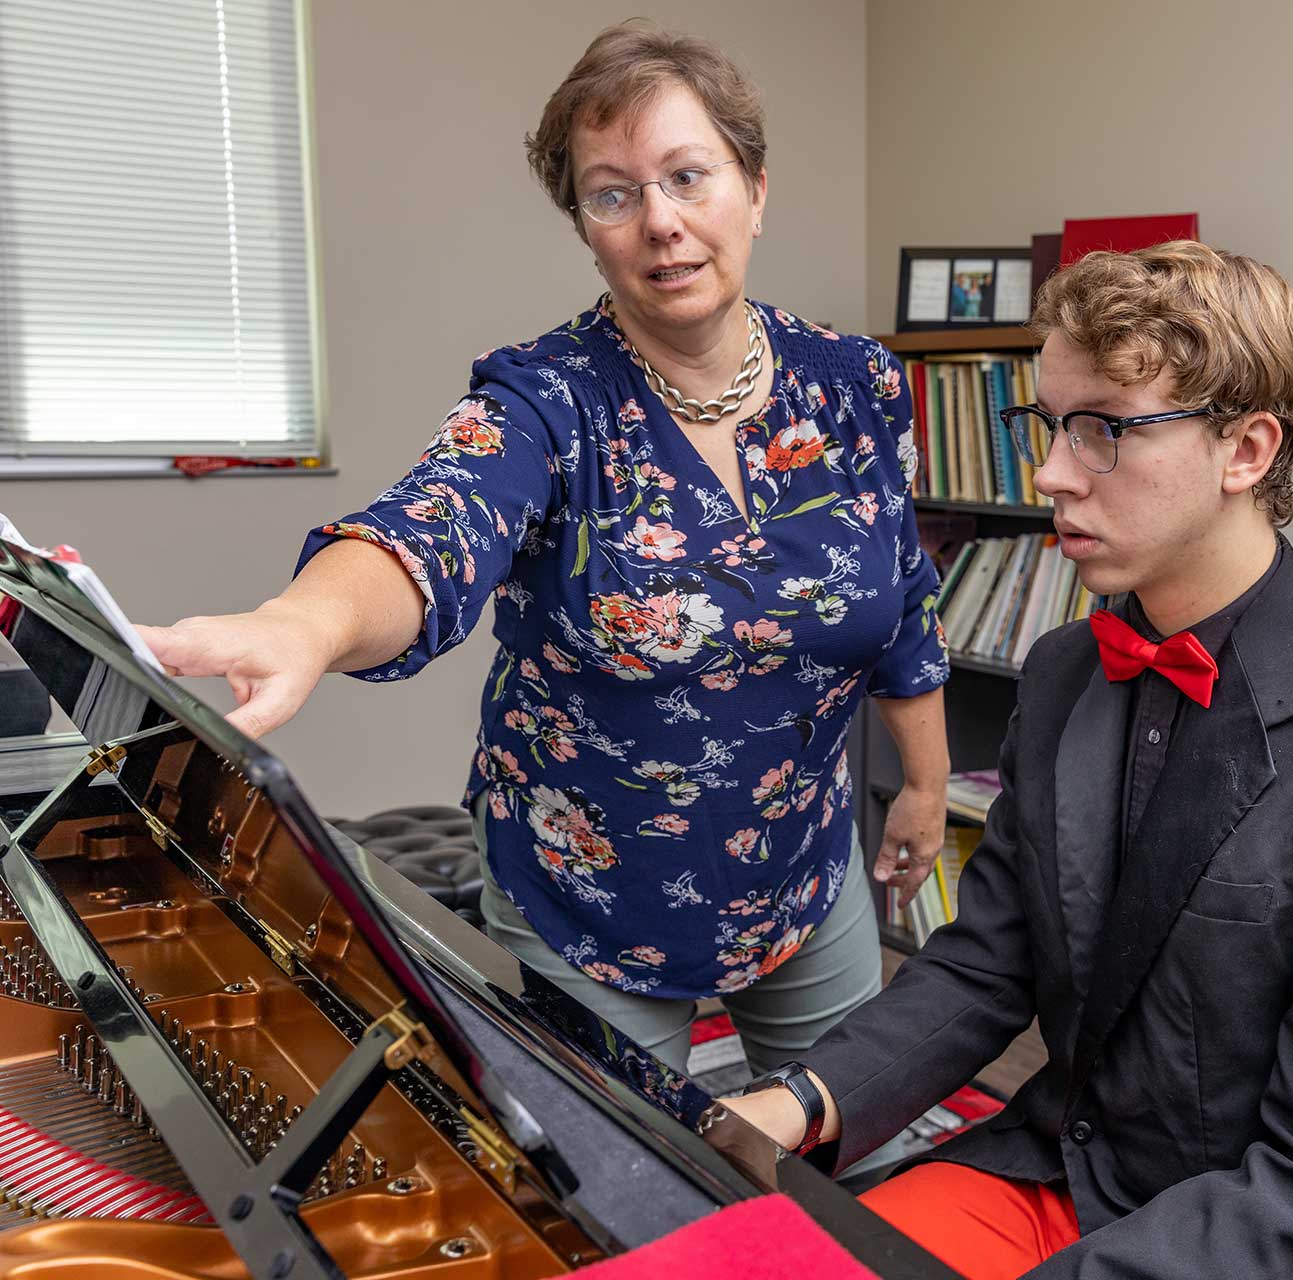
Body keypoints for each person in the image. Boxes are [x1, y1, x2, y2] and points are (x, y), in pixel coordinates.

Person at [135, 22, 951, 1080]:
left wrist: (925, 785)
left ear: (754, 187)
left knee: (837, 1160)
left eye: (688, 176)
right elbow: (434, 522)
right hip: (588, 891)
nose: (660, 222)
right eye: (613, 194)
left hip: (800, 862)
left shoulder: (858, 384)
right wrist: (302, 621)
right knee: (621, 1199)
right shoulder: (545, 395)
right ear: (586, 226)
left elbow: (905, 597)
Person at [724, 240, 1293, 1279]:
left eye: (1103, 431)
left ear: (1247, 450)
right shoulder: (1063, 672)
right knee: (763, 1261)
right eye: (1050, 426)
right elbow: (986, 959)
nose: (1049, 472)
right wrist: (796, 1101)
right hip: (1063, 1172)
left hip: (1260, 1240)